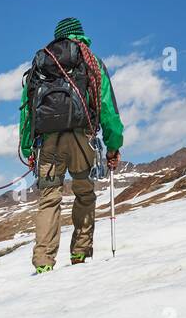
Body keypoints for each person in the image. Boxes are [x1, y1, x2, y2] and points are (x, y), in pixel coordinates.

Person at [18, 17, 124, 273]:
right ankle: (79, 252)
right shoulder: (91, 62)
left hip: (47, 142)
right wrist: (113, 145)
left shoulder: (41, 63)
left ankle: (43, 262)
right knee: (84, 194)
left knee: (49, 200)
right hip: (81, 137)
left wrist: (27, 148)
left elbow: (26, 111)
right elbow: (108, 108)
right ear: (81, 34)